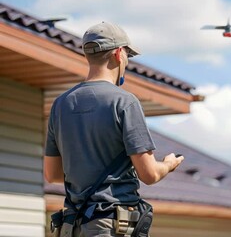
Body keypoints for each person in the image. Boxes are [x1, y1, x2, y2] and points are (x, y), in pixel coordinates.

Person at [44, 21, 184, 237]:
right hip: (110, 226)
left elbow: (52, 174)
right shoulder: (124, 102)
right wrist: (168, 164)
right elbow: (149, 174)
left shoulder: (61, 104)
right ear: (119, 53)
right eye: (128, 55)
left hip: (72, 227)